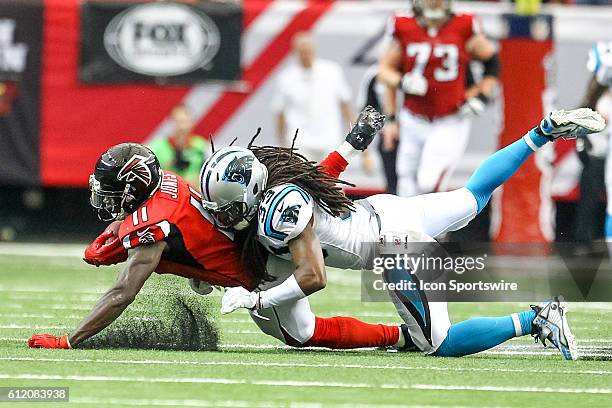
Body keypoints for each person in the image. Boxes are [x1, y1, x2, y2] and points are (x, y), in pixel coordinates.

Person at [202, 107, 606, 360]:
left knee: (440, 343)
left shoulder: (277, 212)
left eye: (230, 206)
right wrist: (351, 145)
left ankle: (535, 320)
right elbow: (318, 177)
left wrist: (258, 297)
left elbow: (312, 276)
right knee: (474, 194)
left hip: (394, 245)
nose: (226, 216)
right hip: (389, 209)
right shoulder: (281, 184)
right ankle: (541, 132)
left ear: (251, 192)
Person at [27, 109, 406, 351]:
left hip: (258, 268)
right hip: (252, 239)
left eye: (112, 193)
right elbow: (170, 225)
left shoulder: (152, 226)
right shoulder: (168, 184)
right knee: (296, 187)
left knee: (301, 334)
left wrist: (70, 340)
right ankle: (348, 149)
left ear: (133, 187)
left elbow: (123, 291)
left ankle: (399, 336)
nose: (106, 200)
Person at [378, 0, 498, 197]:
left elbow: (492, 62)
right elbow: (384, 71)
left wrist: (481, 97)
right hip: (413, 117)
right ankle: (406, 229)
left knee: (428, 182)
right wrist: (403, 84)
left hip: (449, 119)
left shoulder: (464, 25)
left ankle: (436, 228)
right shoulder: (403, 25)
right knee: (405, 183)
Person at [272, 32, 373, 173]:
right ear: (295, 52)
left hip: (329, 140)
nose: (305, 54)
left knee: (331, 185)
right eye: (302, 51)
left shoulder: (332, 72)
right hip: (299, 143)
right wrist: (282, 145)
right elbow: (280, 114)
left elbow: (346, 108)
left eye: (308, 50)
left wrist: (362, 148)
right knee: (301, 185)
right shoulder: (286, 78)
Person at [149, 105, 210, 185]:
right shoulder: (158, 147)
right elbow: (150, 175)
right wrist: (169, 165)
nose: (181, 127)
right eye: (178, 121)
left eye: (185, 122)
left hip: (194, 193)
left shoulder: (201, 146)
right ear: (171, 123)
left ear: (192, 123)